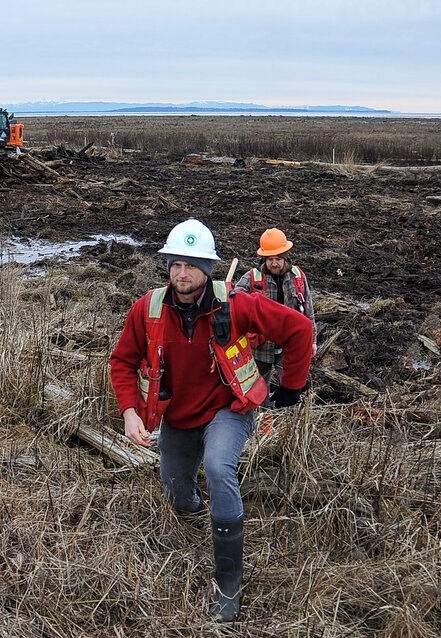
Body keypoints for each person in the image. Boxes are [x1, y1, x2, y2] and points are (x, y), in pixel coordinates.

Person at [109, 219, 314, 622]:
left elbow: (300, 328)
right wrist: (130, 412)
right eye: (175, 264)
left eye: (191, 265)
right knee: (177, 492)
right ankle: (199, 509)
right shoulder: (147, 309)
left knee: (220, 468)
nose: (181, 273)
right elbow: (122, 361)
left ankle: (229, 584)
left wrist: (292, 387)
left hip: (228, 410)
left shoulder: (236, 303)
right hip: (177, 417)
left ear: (208, 268)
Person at [235, 228, 317, 397]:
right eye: (270, 259)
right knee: (256, 394)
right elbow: (233, 305)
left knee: (295, 389)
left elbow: (308, 311)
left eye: (278, 259)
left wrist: (312, 341)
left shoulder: (298, 277)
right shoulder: (252, 278)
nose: (274, 263)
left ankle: (291, 418)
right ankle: (264, 421)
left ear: (286, 257)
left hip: (289, 347)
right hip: (259, 349)